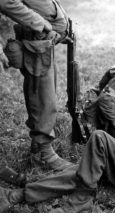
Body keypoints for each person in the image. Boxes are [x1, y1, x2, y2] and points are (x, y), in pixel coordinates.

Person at [0, 0, 72, 170]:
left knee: (46, 95)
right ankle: (44, 153)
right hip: (34, 39)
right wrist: (44, 24)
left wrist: (60, 26)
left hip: (42, 41)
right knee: (44, 99)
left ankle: (38, 146)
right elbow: (7, 2)